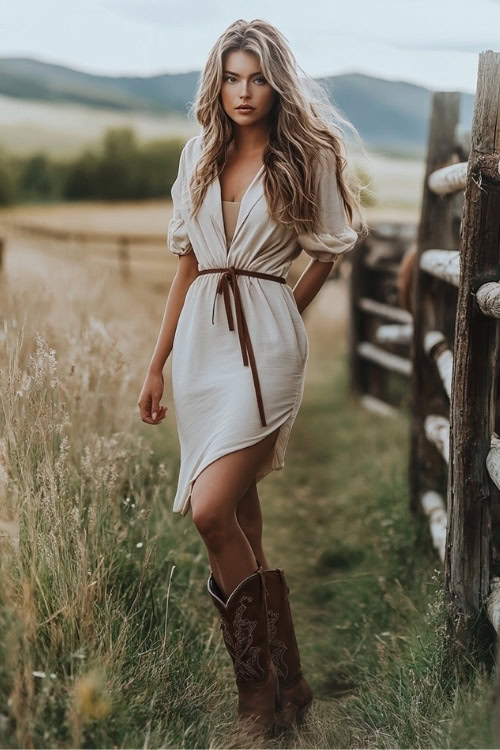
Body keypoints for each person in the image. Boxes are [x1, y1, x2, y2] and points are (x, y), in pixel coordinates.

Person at [138, 17, 367, 739]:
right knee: (241, 522)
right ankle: (291, 685)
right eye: (232, 77)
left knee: (211, 512)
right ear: (219, 82)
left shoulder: (308, 156)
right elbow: (186, 265)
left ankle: (254, 698)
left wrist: (285, 318)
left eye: (258, 77)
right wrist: (158, 362)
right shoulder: (199, 155)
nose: (244, 91)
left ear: (277, 83)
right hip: (202, 348)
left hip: (265, 343)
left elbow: (327, 251)